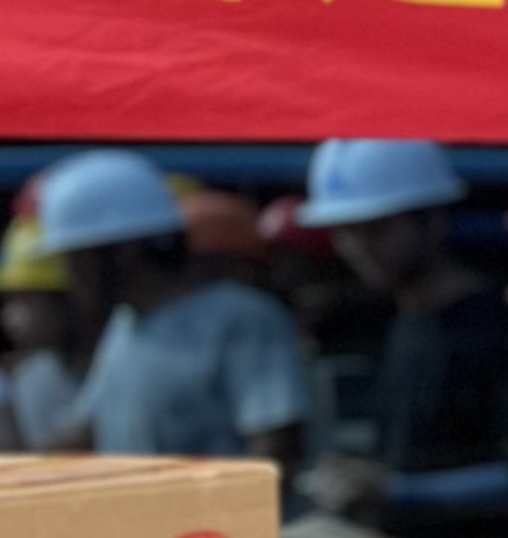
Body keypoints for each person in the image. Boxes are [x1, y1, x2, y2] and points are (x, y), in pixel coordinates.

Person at [295, 140, 508, 538]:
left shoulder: (495, 329)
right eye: (345, 232)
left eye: (376, 228)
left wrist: (397, 490)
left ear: (433, 220)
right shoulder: (402, 323)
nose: (358, 247)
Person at [30, 148, 309, 469]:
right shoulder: (124, 324)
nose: (70, 276)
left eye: (75, 259)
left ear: (124, 250)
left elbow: (275, 448)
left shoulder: (241, 318)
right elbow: (86, 431)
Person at [0, 213, 86, 448]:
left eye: (27, 300)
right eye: (9, 300)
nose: (10, 317)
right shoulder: (26, 382)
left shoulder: (111, 364)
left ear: (67, 298)